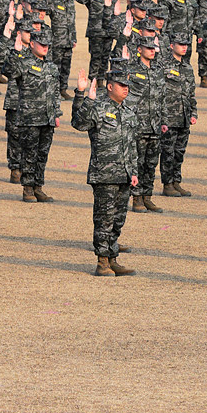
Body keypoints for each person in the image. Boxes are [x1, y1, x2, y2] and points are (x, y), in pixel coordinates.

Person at [72, 69, 140, 277]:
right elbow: (79, 123)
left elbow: (131, 145)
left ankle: (113, 257)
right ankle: (102, 261)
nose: (126, 89)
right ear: (110, 87)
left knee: (118, 219)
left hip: (124, 174)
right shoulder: (98, 107)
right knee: (104, 219)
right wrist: (83, 96)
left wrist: (134, 171)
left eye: (127, 85)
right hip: (104, 174)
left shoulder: (128, 111)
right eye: (121, 85)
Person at [5, 29, 62, 202]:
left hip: (48, 118)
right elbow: (8, 71)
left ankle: (38, 187)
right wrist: (15, 52)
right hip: (30, 117)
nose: (45, 48)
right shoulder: (23, 62)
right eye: (42, 44)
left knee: (42, 155)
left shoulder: (52, 67)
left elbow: (55, 92)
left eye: (47, 45)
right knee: (29, 154)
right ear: (32, 44)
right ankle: (27, 189)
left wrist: (57, 113)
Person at [128, 36, 167, 213]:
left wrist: (164, 121)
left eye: (153, 48)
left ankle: (147, 196)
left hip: (155, 125)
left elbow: (163, 98)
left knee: (151, 164)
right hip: (139, 124)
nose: (152, 50)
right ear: (139, 49)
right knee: (138, 163)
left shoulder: (158, 71)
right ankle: (136, 198)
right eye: (148, 47)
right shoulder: (132, 69)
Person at [160, 33, 198, 197]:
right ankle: (167, 184)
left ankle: (176, 181)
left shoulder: (187, 68)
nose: (184, 47)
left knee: (179, 152)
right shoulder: (163, 66)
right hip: (169, 117)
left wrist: (193, 112)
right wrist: (161, 116)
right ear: (171, 45)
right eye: (180, 44)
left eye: (186, 45)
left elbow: (191, 94)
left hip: (184, 117)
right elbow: (159, 92)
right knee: (168, 153)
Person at [44, 0, 77, 99]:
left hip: (68, 41)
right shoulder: (54, 2)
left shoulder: (71, 3)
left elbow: (72, 23)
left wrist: (74, 38)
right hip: (57, 41)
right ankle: (54, 91)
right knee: (55, 67)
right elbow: (45, 10)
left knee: (66, 67)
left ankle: (63, 89)